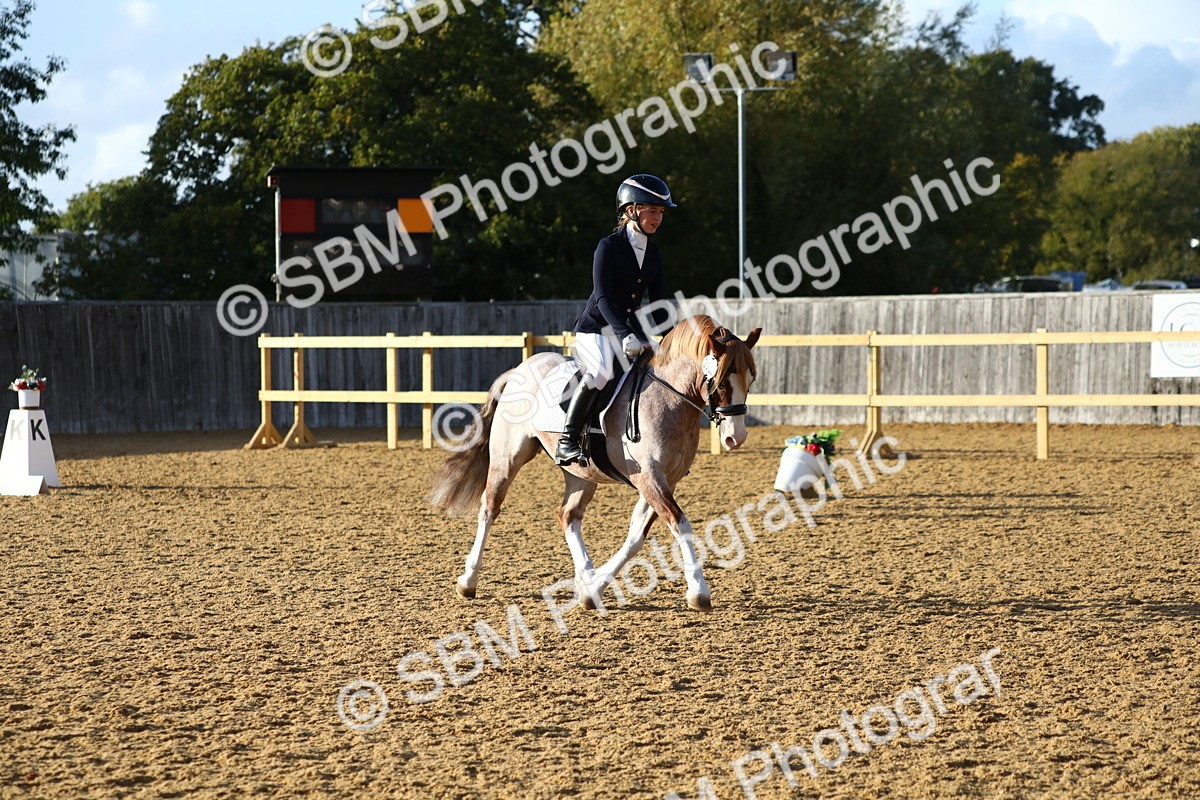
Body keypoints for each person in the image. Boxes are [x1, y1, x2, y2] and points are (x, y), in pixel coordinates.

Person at [555, 174, 676, 466]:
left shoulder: (654, 253)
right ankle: (567, 440)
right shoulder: (608, 246)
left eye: (660, 212)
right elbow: (602, 296)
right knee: (599, 371)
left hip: (631, 330)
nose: (658, 217)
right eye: (652, 210)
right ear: (631, 210)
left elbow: (659, 305)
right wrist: (624, 335)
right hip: (596, 328)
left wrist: (674, 339)